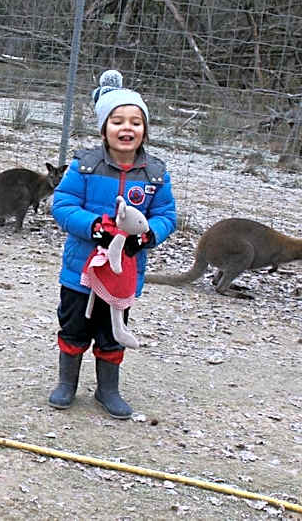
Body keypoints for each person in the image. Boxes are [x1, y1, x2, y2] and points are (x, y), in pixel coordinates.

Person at [48, 69, 177, 419]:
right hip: (81, 271)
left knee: (112, 331)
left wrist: (149, 235)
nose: (127, 128)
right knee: (74, 326)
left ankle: (108, 389)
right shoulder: (85, 167)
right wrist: (93, 228)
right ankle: (66, 383)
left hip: (123, 275)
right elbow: (61, 206)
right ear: (104, 128)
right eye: (117, 120)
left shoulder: (155, 174)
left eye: (136, 122)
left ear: (144, 131)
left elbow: (167, 214)